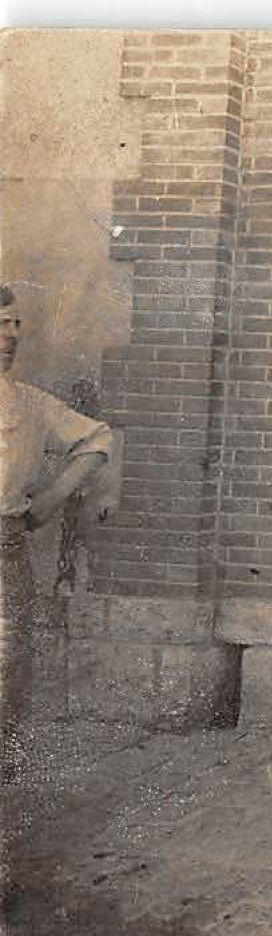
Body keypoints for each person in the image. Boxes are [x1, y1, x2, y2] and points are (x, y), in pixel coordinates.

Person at [1, 284, 115, 780]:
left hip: (5, 557)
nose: (12, 335)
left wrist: (46, 505)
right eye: (1, 324)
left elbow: (95, 439)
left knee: (9, 674)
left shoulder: (26, 404)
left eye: (17, 324)